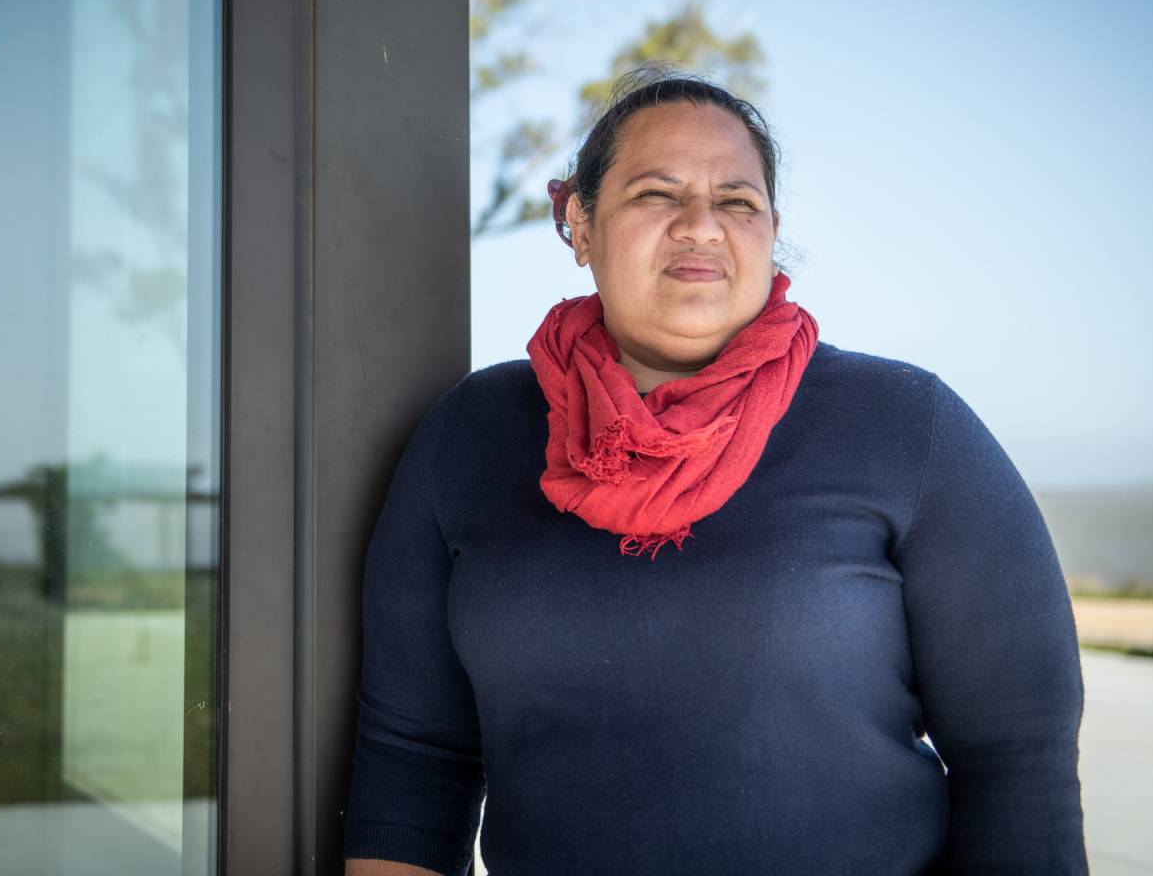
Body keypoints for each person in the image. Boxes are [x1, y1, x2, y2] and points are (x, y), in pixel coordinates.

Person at [342, 72, 1087, 875]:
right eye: (657, 194)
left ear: (771, 233)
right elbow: (414, 757)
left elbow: (1017, 756)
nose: (701, 226)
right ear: (580, 224)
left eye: (737, 202)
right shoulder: (473, 435)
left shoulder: (907, 426)